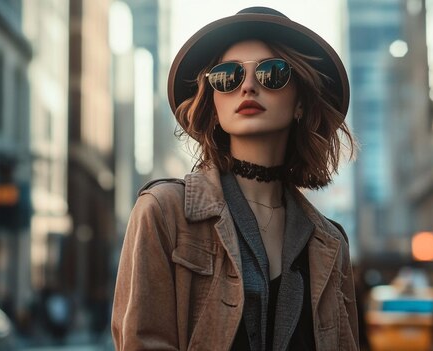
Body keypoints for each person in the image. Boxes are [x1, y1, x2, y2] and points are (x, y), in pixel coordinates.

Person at [111, 6, 359, 351]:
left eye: (272, 73)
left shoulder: (330, 243)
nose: (248, 86)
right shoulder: (163, 212)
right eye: (228, 76)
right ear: (213, 104)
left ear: (300, 102)